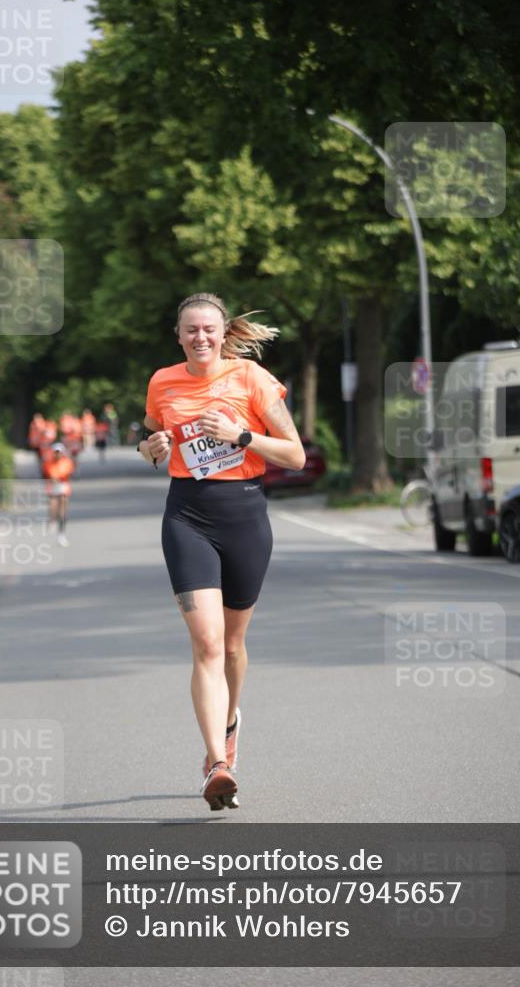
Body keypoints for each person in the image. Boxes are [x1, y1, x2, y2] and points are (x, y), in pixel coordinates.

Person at [139, 292, 305, 810]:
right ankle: (217, 763)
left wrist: (242, 434)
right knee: (207, 644)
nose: (200, 337)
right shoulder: (162, 382)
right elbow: (150, 436)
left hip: (245, 515)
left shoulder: (252, 380)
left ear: (223, 330)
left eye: (208, 328)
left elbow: (296, 455)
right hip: (186, 515)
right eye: (191, 330)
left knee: (233, 646)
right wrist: (152, 450)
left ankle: (231, 721)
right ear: (179, 335)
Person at [41, 443, 75, 546]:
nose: (57, 454)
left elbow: (68, 473)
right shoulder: (47, 464)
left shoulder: (67, 462)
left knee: (62, 512)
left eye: (59, 452)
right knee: (52, 507)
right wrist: (50, 480)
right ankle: (52, 521)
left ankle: (61, 534)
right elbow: (45, 475)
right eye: (55, 452)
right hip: (52, 487)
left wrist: (59, 478)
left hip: (63, 486)